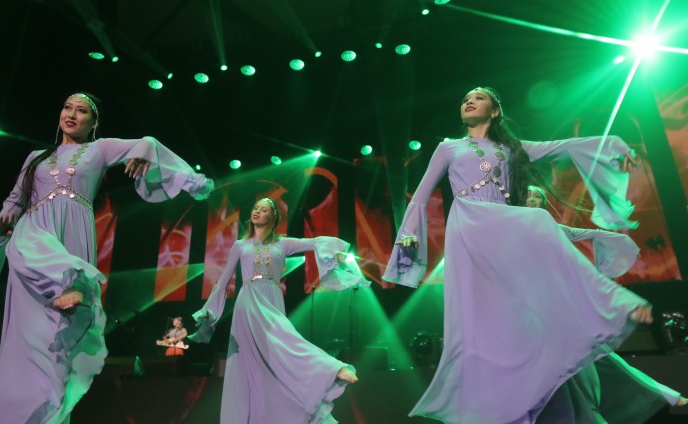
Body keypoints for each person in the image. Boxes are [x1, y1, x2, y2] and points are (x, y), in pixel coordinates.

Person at [383, 86, 673, 423]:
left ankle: (533, 378)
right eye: (465, 99)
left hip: (504, 230)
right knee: (537, 221)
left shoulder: (511, 148)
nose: (469, 101)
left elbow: (565, 146)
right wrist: (406, 247)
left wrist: (616, 148)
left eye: (478, 98)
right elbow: (420, 196)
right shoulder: (448, 148)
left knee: (524, 306)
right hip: (471, 224)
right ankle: (613, 302)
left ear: (495, 111)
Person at [0, 92, 214, 424]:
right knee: (25, 260)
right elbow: (15, 199)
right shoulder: (35, 157)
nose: (72, 114)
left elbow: (147, 141)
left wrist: (145, 153)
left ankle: (47, 414)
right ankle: (65, 284)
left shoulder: (99, 149)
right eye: (67, 107)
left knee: (55, 343)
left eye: (81, 111)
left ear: (94, 123)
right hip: (35, 226)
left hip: (73, 233)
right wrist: (5, 219)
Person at [190, 197, 367, 423]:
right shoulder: (240, 246)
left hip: (272, 298)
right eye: (256, 208)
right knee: (249, 363)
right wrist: (210, 311)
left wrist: (336, 252)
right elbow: (223, 282)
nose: (257, 211)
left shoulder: (281, 244)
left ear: (273, 217)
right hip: (249, 301)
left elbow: (314, 242)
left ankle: (330, 371)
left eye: (264, 210)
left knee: (284, 342)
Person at [524, 186, 687, 422]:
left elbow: (587, 235)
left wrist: (617, 241)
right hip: (525, 304)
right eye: (528, 195)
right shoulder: (509, 225)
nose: (532, 199)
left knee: (593, 354)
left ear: (543, 202)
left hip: (551, 302)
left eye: (537, 196)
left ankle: (660, 394)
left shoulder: (547, 225)